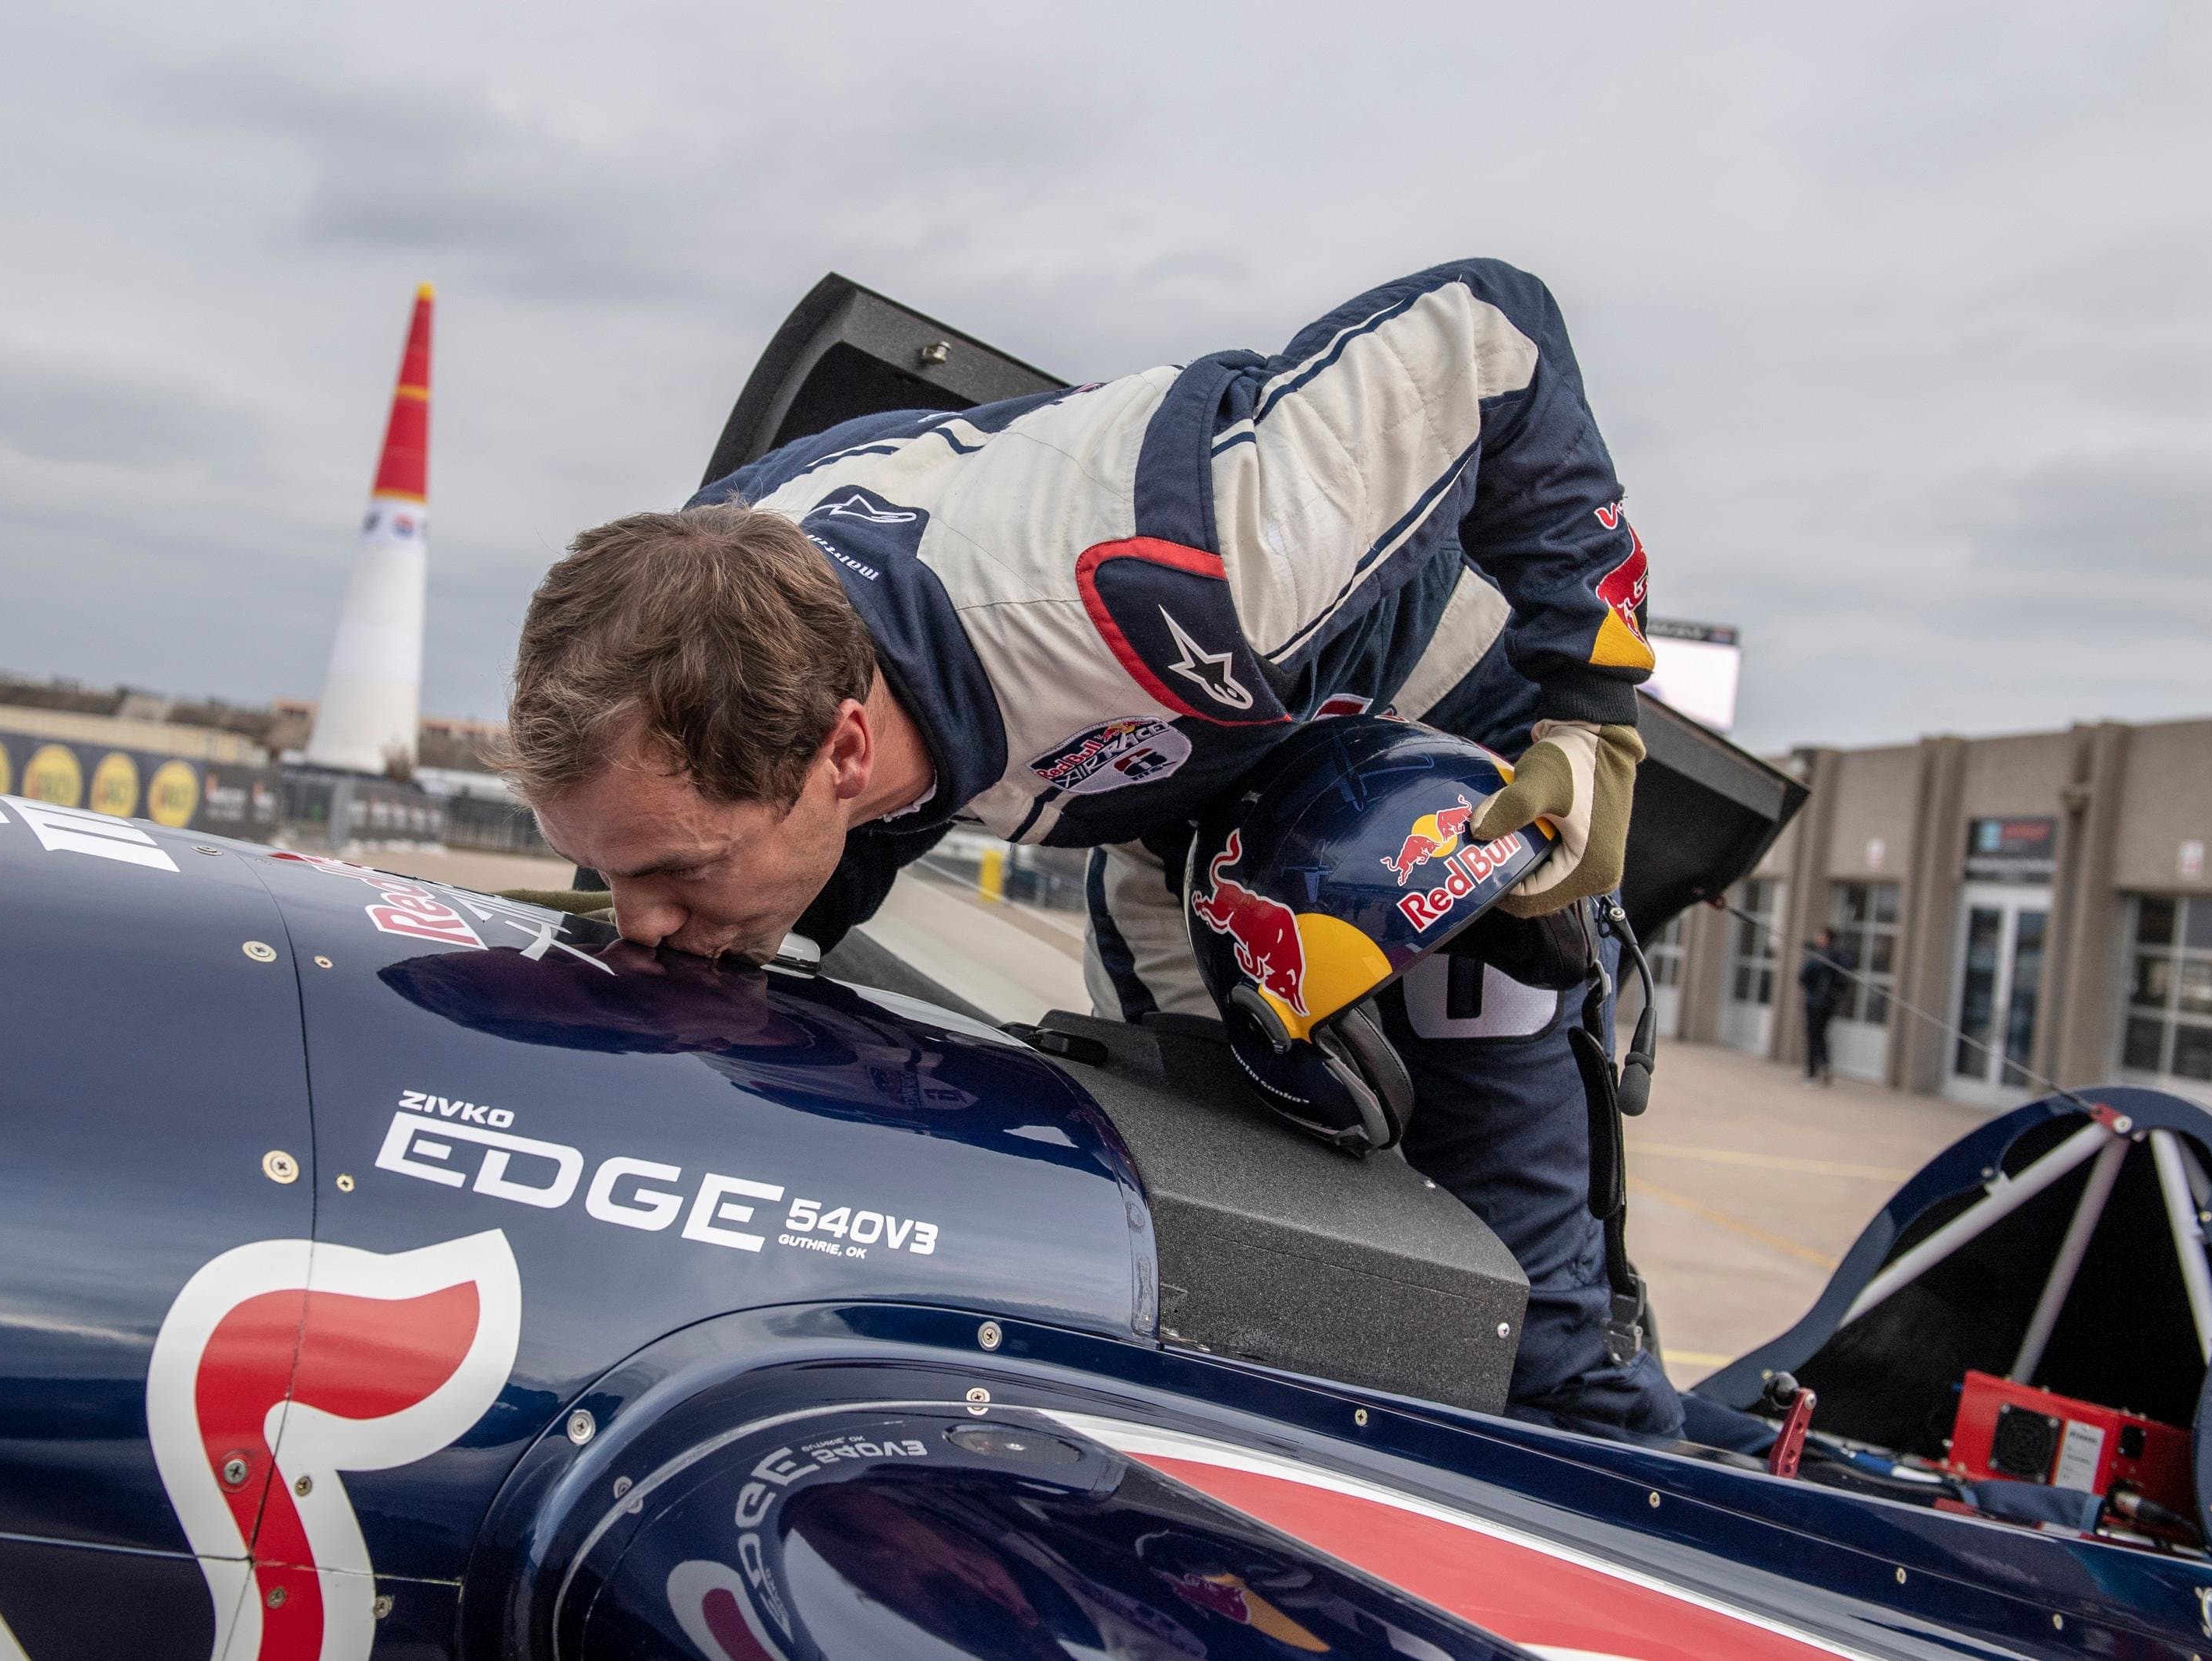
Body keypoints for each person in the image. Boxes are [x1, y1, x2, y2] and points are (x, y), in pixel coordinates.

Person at [499, 259, 1677, 1436]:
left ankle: (1627, 1447)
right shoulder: (709, 592)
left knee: (1524, 1314)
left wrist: (1590, 706)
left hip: (1446, 742)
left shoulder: (1205, 559)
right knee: (1228, 1234)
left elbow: (1484, 331)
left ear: (844, 752)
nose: (637, 913)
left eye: (676, 871)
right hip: (1181, 783)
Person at [1798, 929, 1856, 1086]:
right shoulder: (1839, 956)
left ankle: (1811, 1074)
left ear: (1826, 938)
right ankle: (1824, 1066)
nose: (1817, 938)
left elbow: (1803, 977)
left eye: (1820, 936)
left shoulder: (1818, 957)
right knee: (1820, 1036)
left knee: (1813, 1036)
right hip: (1830, 1003)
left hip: (1815, 1002)